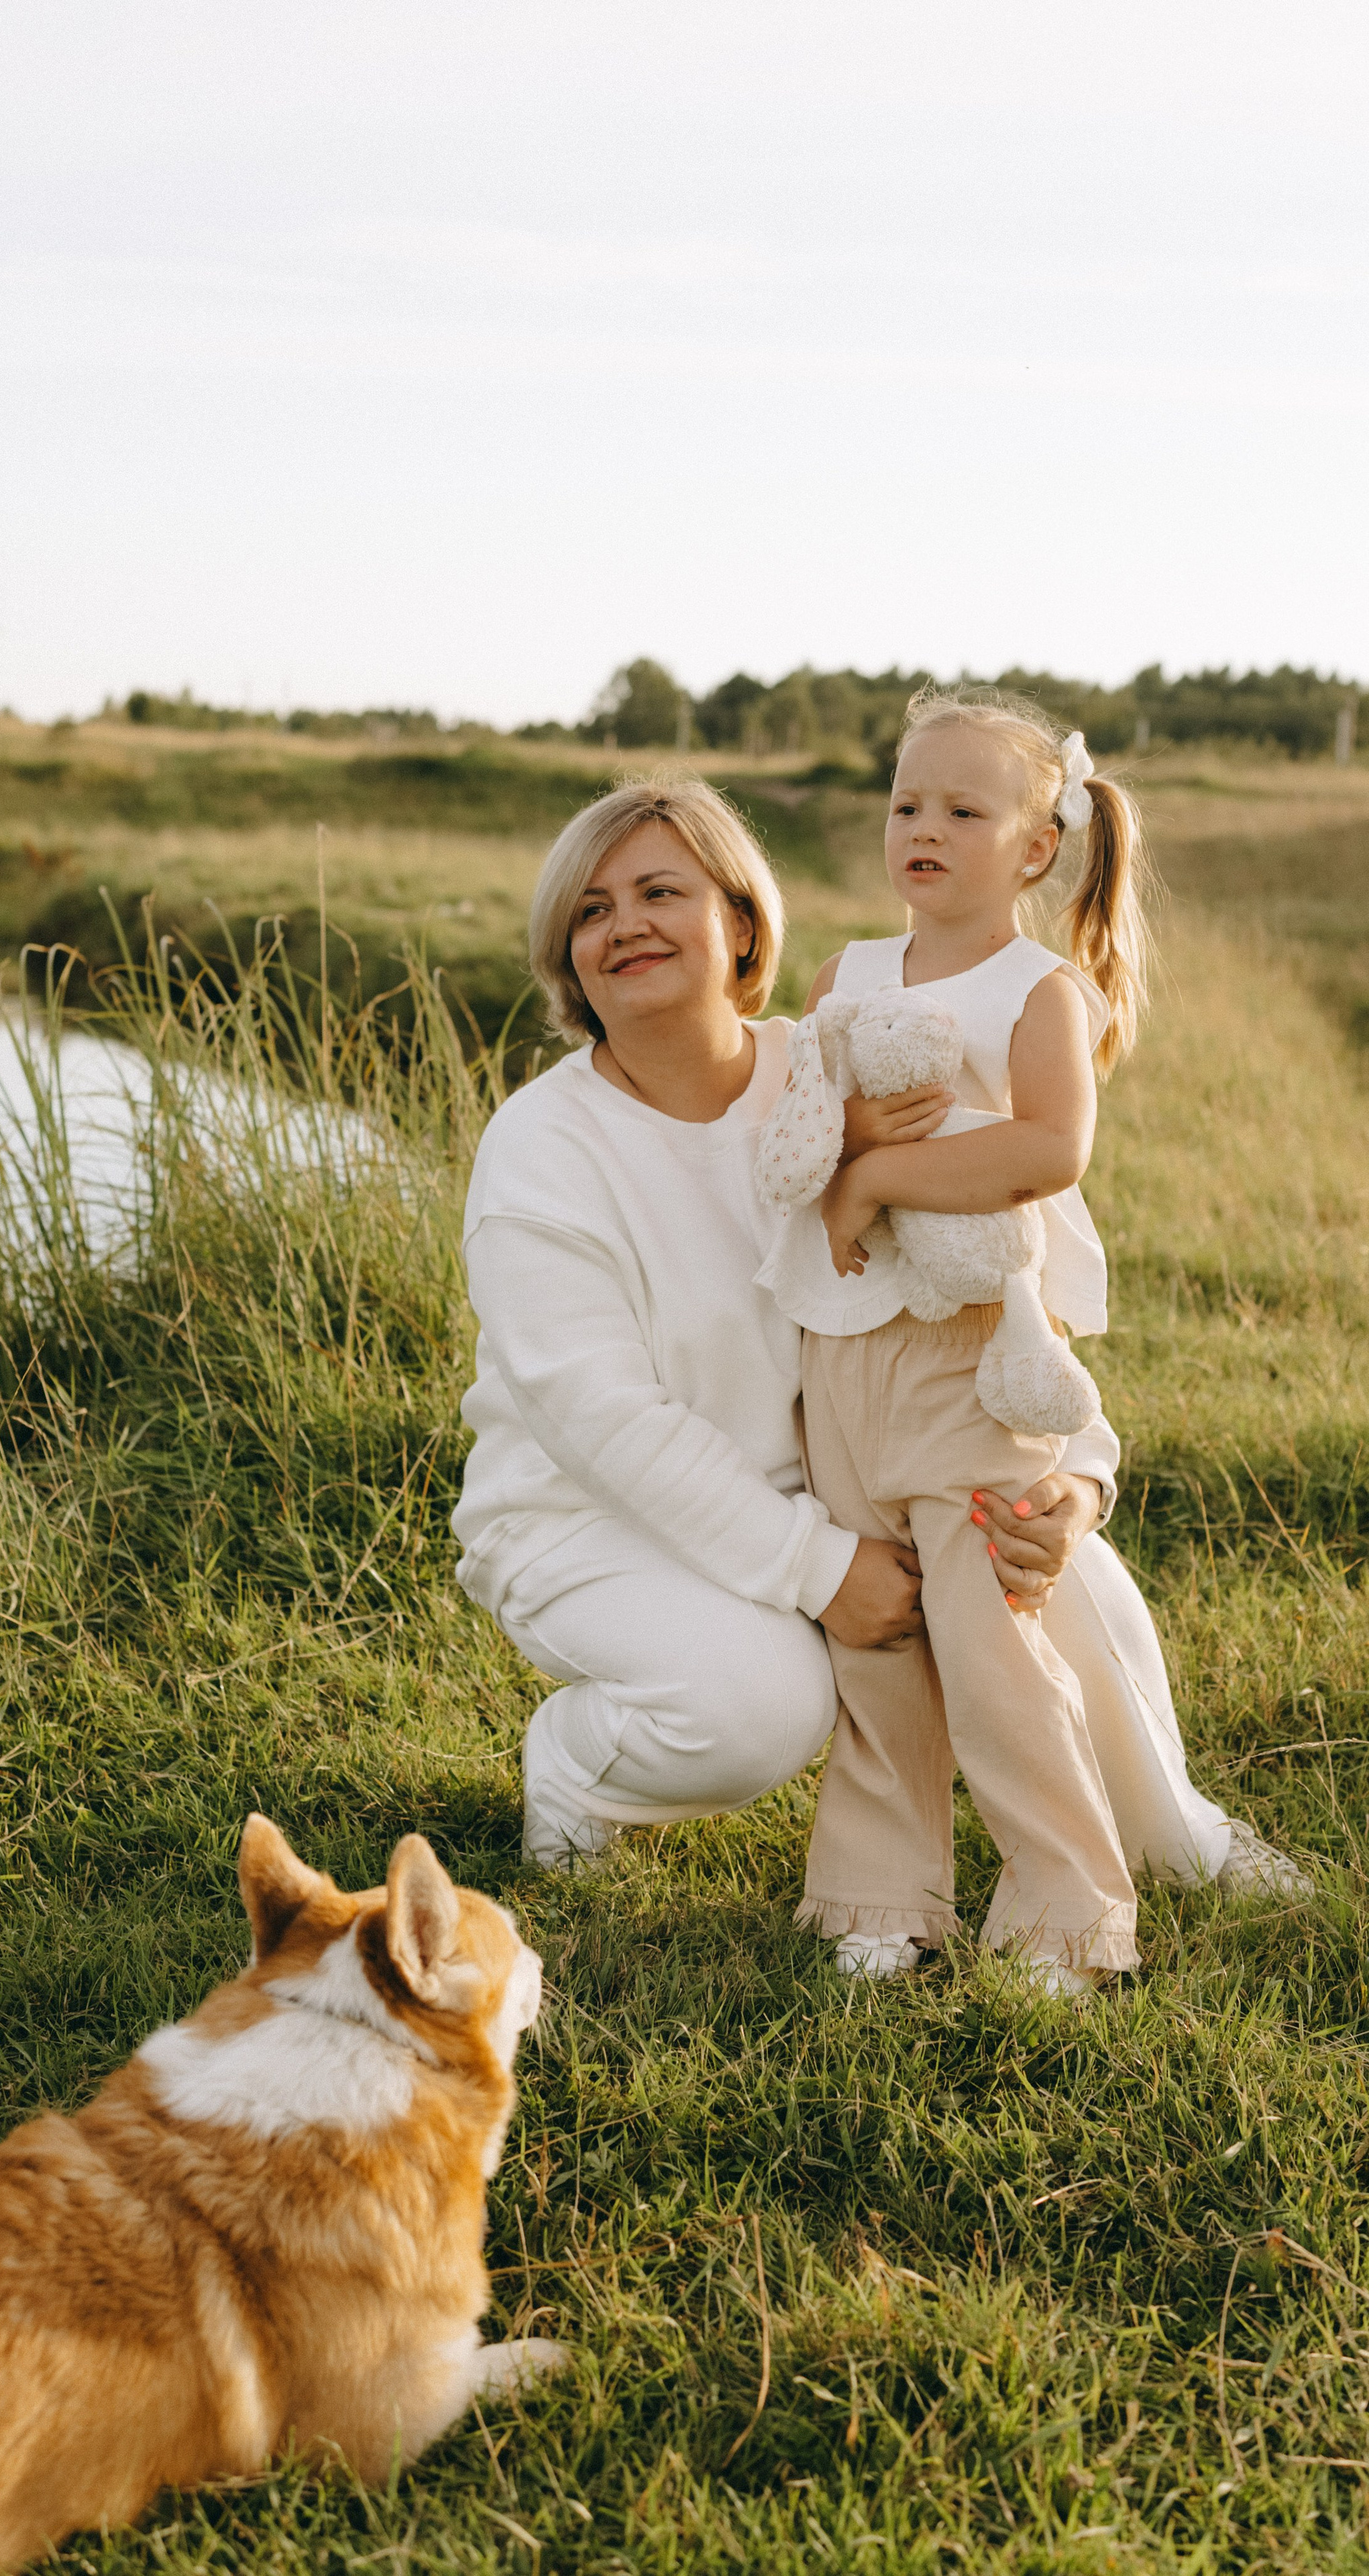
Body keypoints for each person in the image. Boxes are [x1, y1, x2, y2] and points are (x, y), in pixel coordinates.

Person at [449, 773, 1293, 1918]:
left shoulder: (834, 1069)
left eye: (659, 892)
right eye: (591, 911)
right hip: (591, 1519)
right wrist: (823, 1570)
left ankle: (1181, 1835)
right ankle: (575, 1765)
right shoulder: (541, 1149)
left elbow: (989, 1261)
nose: (625, 926)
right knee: (762, 1701)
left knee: (1048, 1558)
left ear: (741, 919)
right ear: (568, 955)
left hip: (851, 1479)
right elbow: (606, 1423)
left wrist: (1079, 1476)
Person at [773, 689, 1151, 1993]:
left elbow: (1048, 1149)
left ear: (1036, 848)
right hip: (845, 1350)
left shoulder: (1037, 992)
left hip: (970, 1358)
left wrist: (879, 1180)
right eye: (905, 804)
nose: (922, 829)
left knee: (989, 1638)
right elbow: (805, 1125)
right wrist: (849, 1152)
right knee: (875, 1634)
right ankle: (882, 1898)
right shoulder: (844, 974)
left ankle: (1070, 1911)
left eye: (961, 810)